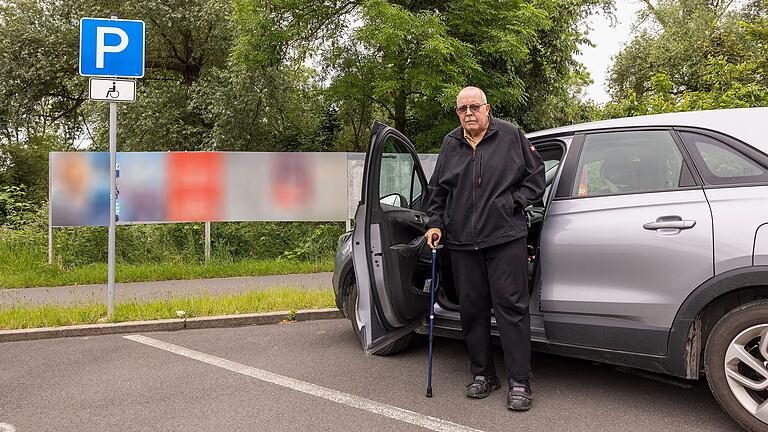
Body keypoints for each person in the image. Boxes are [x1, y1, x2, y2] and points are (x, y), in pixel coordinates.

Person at [424, 86, 545, 411]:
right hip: (463, 244)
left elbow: (536, 176)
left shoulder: (510, 135)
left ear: (487, 108)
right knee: (472, 312)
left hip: (505, 238)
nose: (468, 114)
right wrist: (434, 223)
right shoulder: (451, 143)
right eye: (462, 109)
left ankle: (519, 382)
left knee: (512, 310)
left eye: (474, 107)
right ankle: (483, 374)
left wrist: (514, 202)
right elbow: (437, 191)